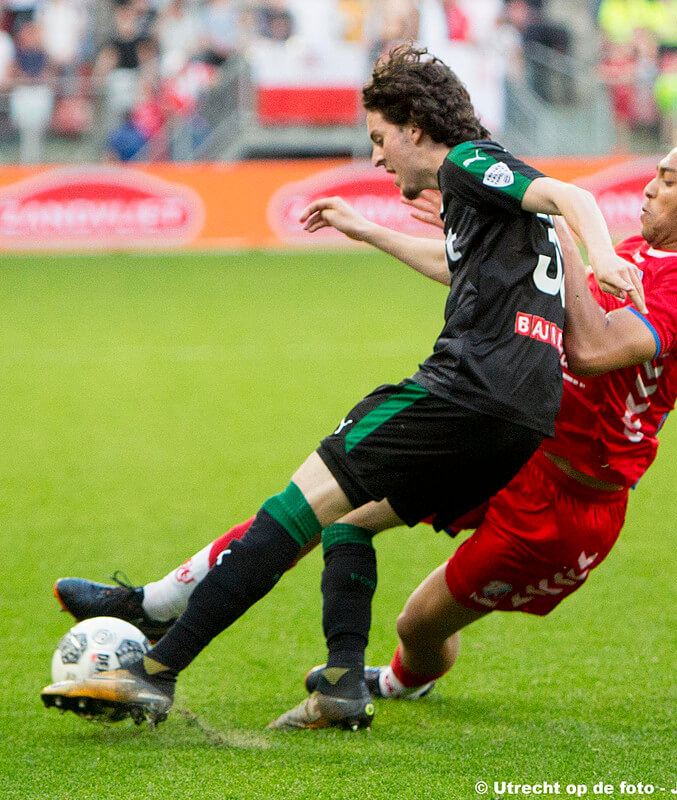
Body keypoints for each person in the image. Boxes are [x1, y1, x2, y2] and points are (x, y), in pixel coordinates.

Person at [41, 44, 643, 731]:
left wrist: (606, 255)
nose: (379, 158)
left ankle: (154, 670)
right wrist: (368, 229)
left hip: (467, 389)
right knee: (349, 523)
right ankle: (340, 683)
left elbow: (574, 195)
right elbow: (469, 275)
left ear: (416, 126)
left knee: (290, 510)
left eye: (381, 139)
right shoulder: (487, 204)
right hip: (523, 417)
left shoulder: (469, 162)